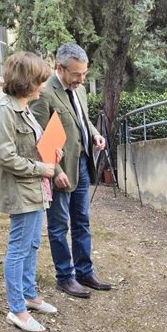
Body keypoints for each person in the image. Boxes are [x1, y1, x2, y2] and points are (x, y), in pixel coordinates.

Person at [30, 43, 111, 298]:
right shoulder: (45, 93)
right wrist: (54, 171)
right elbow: (40, 136)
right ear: (60, 68)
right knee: (58, 225)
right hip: (61, 170)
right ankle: (65, 276)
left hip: (82, 165)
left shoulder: (81, 91)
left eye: (84, 73)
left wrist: (96, 135)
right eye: (76, 74)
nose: (81, 79)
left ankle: (85, 272)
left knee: (82, 221)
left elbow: (83, 120)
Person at [0, 51, 60, 332]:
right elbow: (3, 155)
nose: (44, 85)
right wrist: (42, 169)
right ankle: (17, 309)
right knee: (18, 249)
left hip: (33, 189)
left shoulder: (24, 107)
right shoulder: (5, 110)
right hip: (21, 190)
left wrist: (53, 149)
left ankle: (29, 296)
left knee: (31, 245)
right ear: (27, 81)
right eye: (40, 80)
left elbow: (33, 145)